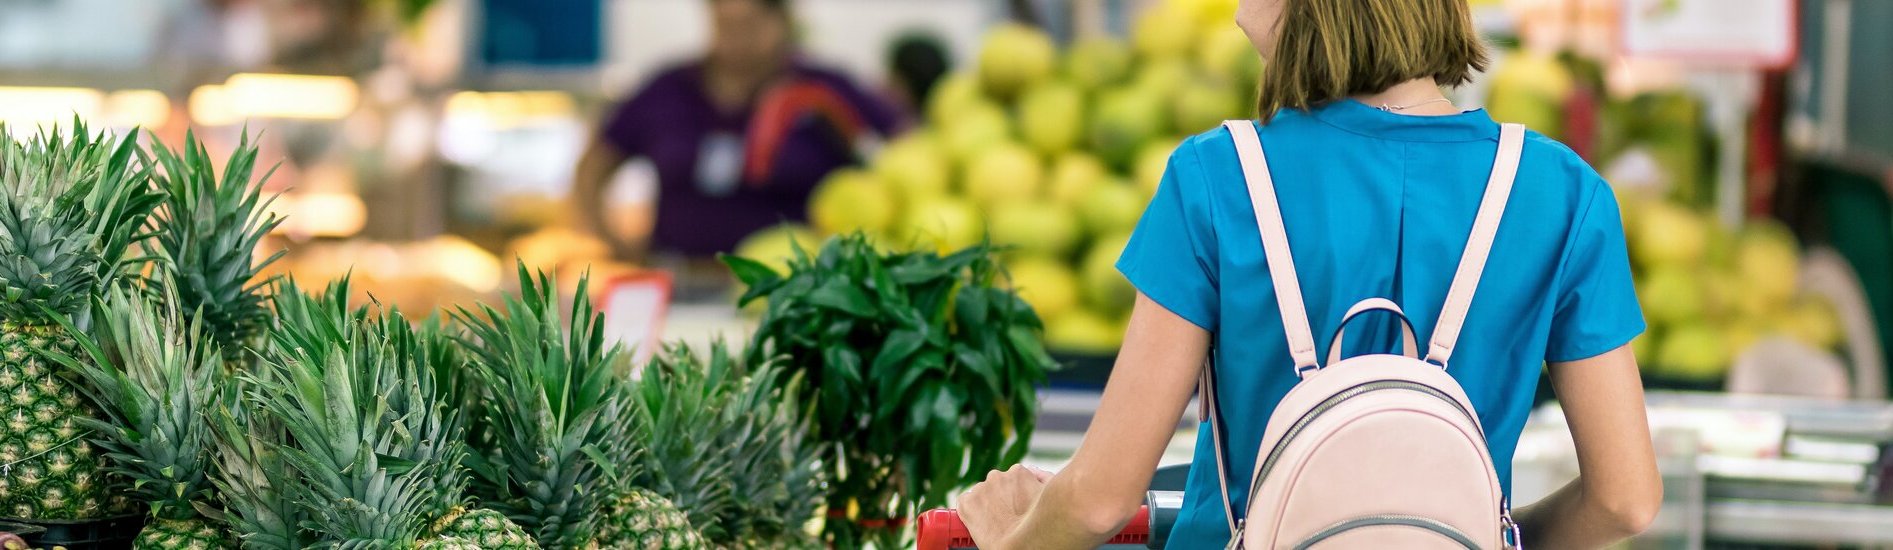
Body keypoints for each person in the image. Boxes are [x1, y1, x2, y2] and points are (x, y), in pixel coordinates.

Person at [954, 0, 1664, 549]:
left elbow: (1098, 499)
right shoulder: (1562, 193)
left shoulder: (1219, 179)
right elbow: (1625, 500)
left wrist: (1012, 539)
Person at [572, 0, 904, 261]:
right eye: (724, 24)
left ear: (783, 21)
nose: (736, 39)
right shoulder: (668, 89)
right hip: (682, 280)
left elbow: (905, 148)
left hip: (797, 290)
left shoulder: (824, 90)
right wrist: (613, 243)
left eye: (749, 24)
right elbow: (593, 168)